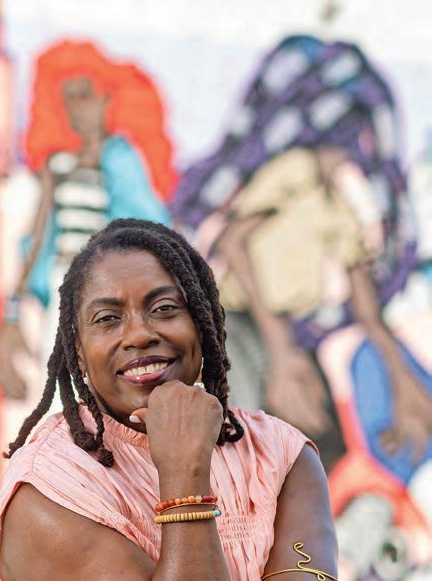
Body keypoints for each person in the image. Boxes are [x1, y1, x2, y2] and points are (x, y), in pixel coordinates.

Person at [0, 219, 411, 581]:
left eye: (164, 309)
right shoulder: (48, 488)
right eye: (108, 319)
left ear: (203, 325)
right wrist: (184, 469)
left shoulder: (279, 453)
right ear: (78, 353)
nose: (139, 334)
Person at [172, 35, 432, 475]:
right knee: (238, 413)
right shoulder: (295, 171)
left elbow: (362, 292)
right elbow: (233, 241)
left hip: (294, 331)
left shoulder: (346, 203)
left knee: (322, 432)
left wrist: (403, 379)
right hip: (247, 315)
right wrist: (282, 351)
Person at [0, 40, 175, 401]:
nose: (76, 108)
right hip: (66, 285)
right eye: (68, 99)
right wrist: (12, 311)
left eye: (84, 96)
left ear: (107, 98)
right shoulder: (58, 165)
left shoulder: (122, 158)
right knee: (64, 385)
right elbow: (37, 239)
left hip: (112, 289)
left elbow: (150, 229)